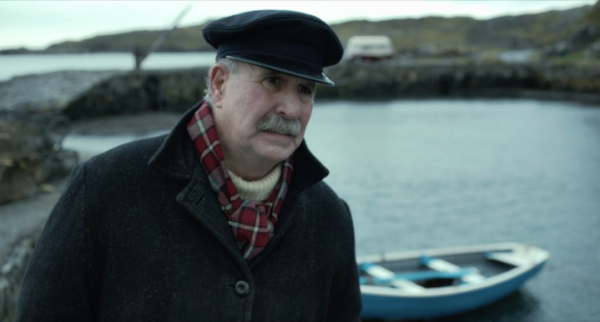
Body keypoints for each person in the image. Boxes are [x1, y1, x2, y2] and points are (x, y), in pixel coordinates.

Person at [17, 10, 361, 321]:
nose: (292, 108)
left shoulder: (329, 216)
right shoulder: (106, 186)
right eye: (273, 81)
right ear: (219, 84)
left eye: (305, 89)